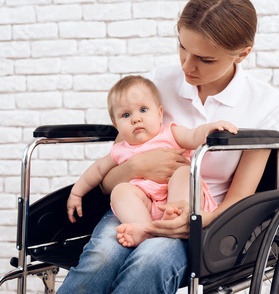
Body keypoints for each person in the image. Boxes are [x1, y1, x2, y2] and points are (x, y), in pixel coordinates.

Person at [57, 0, 279, 294]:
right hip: (136, 201)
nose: (187, 66)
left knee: (151, 261)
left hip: (202, 214)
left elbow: (239, 197)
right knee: (102, 257)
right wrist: (138, 165)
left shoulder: (264, 102)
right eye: (182, 48)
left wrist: (198, 221)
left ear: (242, 54)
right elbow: (110, 182)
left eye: (205, 59)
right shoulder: (159, 82)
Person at [67, 75, 238, 248]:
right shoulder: (120, 150)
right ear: (116, 125)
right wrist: (76, 193)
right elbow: (96, 170)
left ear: (159, 113)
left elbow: (193, 136)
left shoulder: (169, 134)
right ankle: (145, 229)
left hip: (182, 199)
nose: (136, 119)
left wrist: (208, 129)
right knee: (120, 190)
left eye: (143, 110)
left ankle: (176, 215)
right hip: (146, 207)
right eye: (126, 115)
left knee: (184, 173)